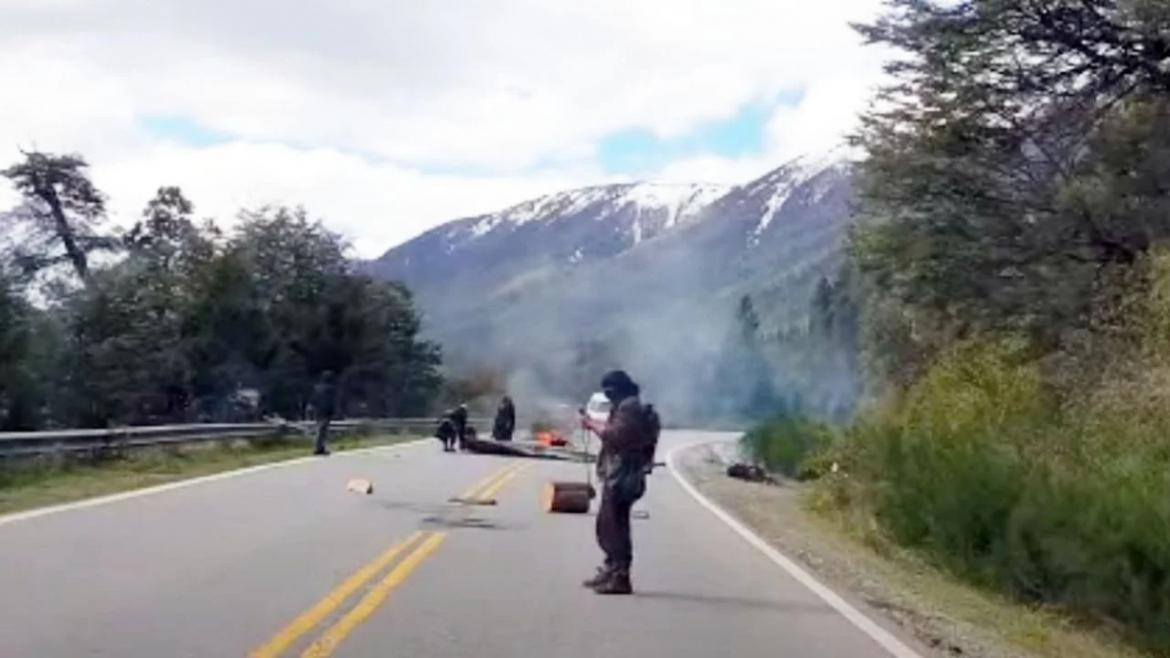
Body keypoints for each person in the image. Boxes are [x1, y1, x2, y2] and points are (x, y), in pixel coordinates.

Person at [578, 370, 659, 595]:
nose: (608, 396)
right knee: (609, 524)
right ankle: (611, 568)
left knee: (614, 526)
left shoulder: (629, 407)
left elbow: (615, 436)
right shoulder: (627, 405)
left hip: (624, 474)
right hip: (622, 471)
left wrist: (591, 424)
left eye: (610, 391)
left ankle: (620, 576)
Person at [311, 371, 338, 456]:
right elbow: (331, 401)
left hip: (318, 410)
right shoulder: (330, 389)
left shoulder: (317, 388)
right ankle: (319, 448)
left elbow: (313, 399)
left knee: (320, 429)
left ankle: (320, 447)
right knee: (323, 430)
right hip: (326, 411)